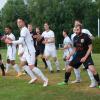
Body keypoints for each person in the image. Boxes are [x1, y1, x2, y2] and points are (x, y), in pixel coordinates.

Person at [7, 18, 48, 87]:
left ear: (23, 22)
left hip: (29, 51)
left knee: (32, 67)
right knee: (22, 64)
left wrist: (11, 42)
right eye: (17, 22)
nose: (18, 23)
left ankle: (45, 79)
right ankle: (33, 77)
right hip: (26, 51)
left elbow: (20, 41)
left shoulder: (24, 30)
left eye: (20, 22)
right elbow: (23, 42)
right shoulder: (23, 30)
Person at [71, 20, 96, 88]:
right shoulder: (74, 33)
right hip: (78, 53)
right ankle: (78, 79)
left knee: (88, 68)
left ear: (80, 24)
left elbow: (92, 38)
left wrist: (89, 39)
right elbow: (74, 45)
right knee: (75, 66)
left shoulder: (85, 31)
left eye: (77, 23)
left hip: (86, 53)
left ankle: (93, 81)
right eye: (75, 23)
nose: (76, 24)